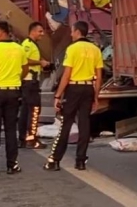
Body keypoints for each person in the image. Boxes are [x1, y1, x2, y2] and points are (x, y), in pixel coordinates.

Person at [44, 21, 102, 172]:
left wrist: (58, 95)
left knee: (66, 123)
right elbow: (99, 76)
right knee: (84, 124)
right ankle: (80, 161)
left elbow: (67, 74)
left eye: (72, 31)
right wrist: (96, 96)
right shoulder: (95, 49)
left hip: (74, 88)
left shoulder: (72, 49)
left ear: (77, 32)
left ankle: (55, 160)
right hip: (88, 88)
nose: (70, 34)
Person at [0, 20, 28, 176]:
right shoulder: (20, 49)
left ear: (0, 33)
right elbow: (25, 69)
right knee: (10, 130)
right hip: (13, 92)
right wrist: (16, 79)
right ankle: (12, 165)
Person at [19, 22, 49, 149]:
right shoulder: (27, 44)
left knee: (26, 111)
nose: (42, 34)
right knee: (34, 111)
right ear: (32, 31)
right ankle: (32, 140)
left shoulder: (32, 44)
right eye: (40, 31)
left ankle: (23, 139)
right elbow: (24, 60)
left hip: (30, 82)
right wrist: (40, 62)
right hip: (30, 82)